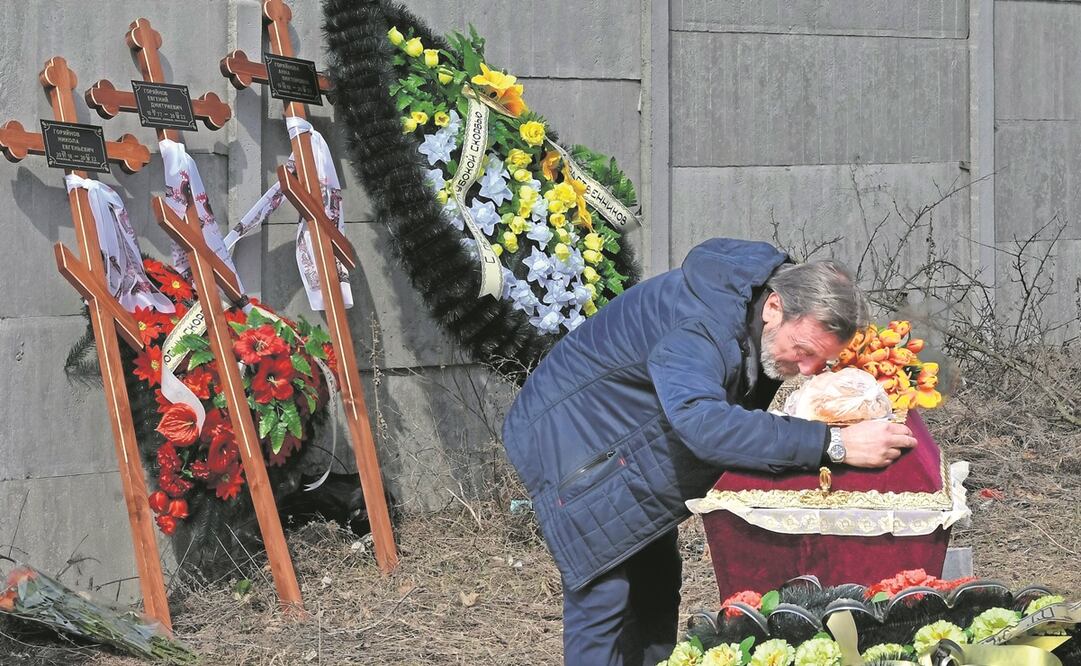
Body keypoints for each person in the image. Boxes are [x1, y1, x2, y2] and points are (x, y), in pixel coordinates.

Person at [500, 238, 917, 666]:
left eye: (821, 361)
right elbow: (704, 423)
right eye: (806, 352)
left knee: (656, 582)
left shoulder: (750, 309)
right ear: (774, 306)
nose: (807, 370)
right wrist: (832, 443)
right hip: (578, 446)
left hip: (625, 440)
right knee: (605, 591)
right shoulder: (701, 325)